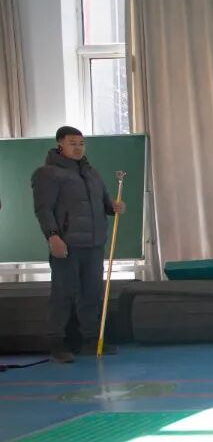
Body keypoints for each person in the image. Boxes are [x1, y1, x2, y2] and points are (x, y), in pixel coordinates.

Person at [31, 126, 125, 363]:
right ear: (60, 144)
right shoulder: (47, 174)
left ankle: (90, 340)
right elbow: (44, 209)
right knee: (63, 294)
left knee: (91, 294)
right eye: (72, 143)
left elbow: (104, 203)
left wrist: (113, 207)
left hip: (94, 244)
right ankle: (57, 344)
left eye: (81, 143)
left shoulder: (91, 173)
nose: (78, 148)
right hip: (67, 244)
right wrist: (53, 236)